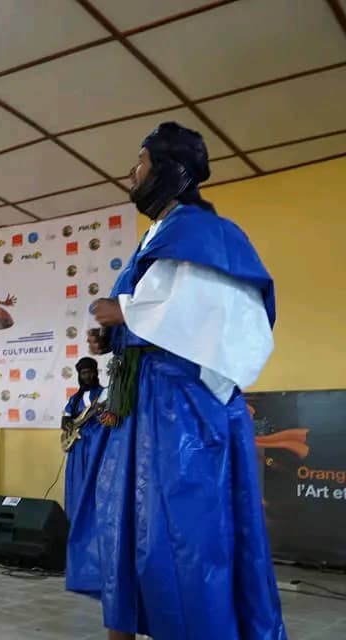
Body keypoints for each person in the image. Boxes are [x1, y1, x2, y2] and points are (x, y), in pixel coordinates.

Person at [85, 122, 286, 639]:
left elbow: (223, 318)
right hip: (141, 405)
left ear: (170, 169)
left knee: (189, 536)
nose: (132, 172)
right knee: (132, 531)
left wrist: (125, 313)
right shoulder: (157, 237)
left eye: (141, 160)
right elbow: (158, 311)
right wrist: (115, 336)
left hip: (184, 410)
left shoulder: (208, 233)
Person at [61, 357, 108, 596]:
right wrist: (70, 426)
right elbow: (65, 421)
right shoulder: (75, 399)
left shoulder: (105, 395)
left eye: (90, 372)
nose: (87, 376)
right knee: (76, 491)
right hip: (78, 450)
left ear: (96, 373)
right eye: (83, 373)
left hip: (97, 448)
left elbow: (111, 419)